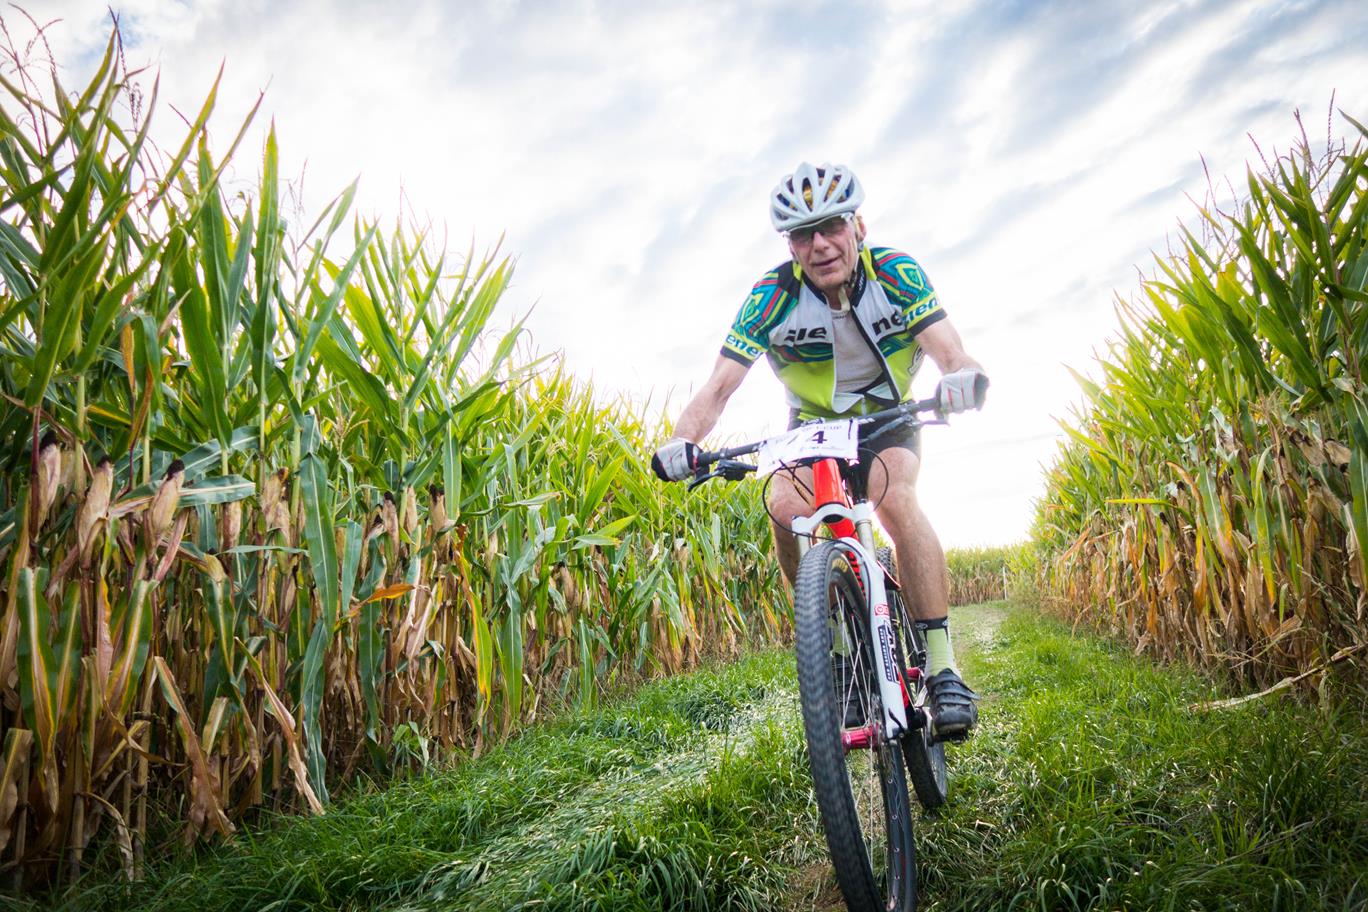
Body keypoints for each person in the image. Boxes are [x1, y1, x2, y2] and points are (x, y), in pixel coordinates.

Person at [650, 162, 987, 740]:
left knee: (896, 500)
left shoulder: (895, 272)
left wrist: (961, 376)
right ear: (791, 246)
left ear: (859, 226)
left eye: (831, 226)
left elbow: (951, 352)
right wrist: (683, 441)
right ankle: (832, 649)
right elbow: (718, 387)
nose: (820, 245)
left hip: (887, 416)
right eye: (804, 235)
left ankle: (942, 667)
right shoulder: (773, 295)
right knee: (785, 507)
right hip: (812, 429)